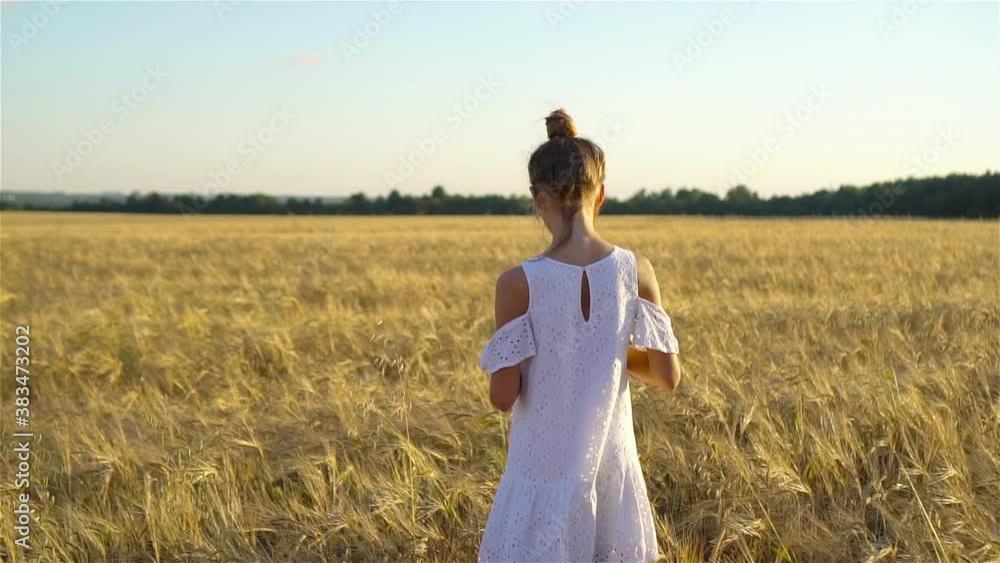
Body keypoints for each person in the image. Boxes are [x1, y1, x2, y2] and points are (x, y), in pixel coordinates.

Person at [476, 108, 682, 563]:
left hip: (541, 475)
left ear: (537, 197)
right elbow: (668, 376)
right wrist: (605, 350)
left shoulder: (516, 283)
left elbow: (502, 396)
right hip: (611, 474)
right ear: (602, 194)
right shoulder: (637, 271)